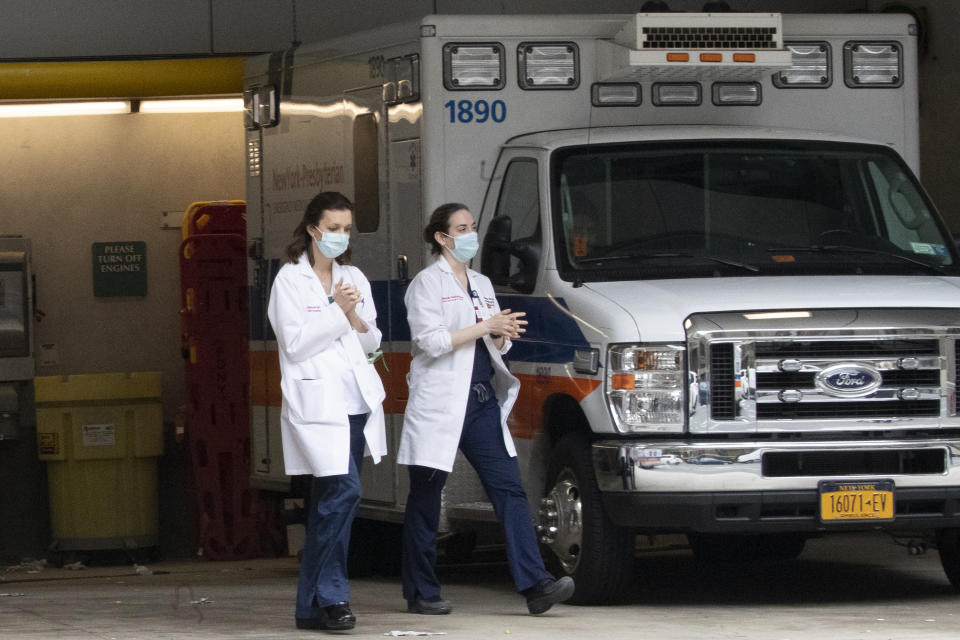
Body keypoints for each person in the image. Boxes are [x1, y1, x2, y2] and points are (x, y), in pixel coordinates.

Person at [397, 202, 575, 616]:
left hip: (478, 401)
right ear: (442, 238)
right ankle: (421, 591)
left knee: (509, 489)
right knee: (425, 498)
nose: (470, 234)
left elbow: (494, 342)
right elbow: (432, 342)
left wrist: (502, 335)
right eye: (461, 228)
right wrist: (486, 328)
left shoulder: (480, 282)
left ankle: (536, 585)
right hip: (440, 404)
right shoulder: (425, 284)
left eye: (472, 226)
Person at [267, 191, 387, 632]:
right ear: (313, 229)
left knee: (332, 503)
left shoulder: (353, 276)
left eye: (346, 228)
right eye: (333, 228)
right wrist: (340, 310)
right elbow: (295, 344)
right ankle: (332, 596)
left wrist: (356, 319)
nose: (340, 236)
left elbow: (372, 344)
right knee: (344, 493)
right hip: (317, 404)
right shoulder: (289, 281)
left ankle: (310, 605)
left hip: (355, 402)